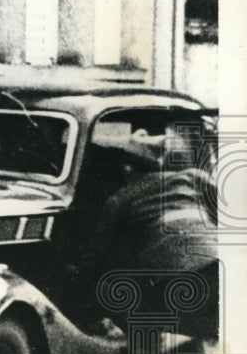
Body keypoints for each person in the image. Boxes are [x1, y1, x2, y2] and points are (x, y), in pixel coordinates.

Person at [77, 128, 219, 342]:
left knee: (112, 287)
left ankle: (147, 343)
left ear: (127, 168)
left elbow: (96, 258)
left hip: (173, 286)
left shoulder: (120, 199)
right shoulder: (193, 177)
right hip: (220, 268)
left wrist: (76, 278)